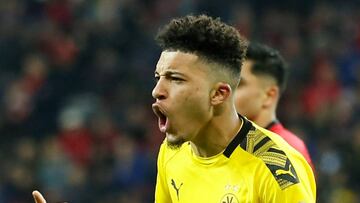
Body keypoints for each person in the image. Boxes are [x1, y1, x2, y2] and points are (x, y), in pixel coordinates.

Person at [33, 14, 316, 203]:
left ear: (218, 94)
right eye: (159, 78)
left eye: (176, 79)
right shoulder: (173, 152)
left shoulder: (276, 172)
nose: (157, 91)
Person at [234, 42, 314, 170]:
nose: (227, 92)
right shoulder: (226, 146)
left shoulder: (286, 151)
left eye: (238, 85)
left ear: (269, 95)